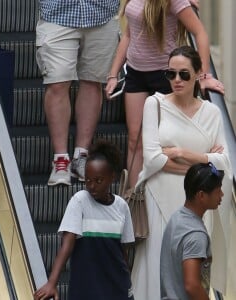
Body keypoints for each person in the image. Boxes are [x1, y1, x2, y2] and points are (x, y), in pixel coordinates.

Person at [130, 46, 232, 299]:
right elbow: (153, 159)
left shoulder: (212, 112)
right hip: (159, 194)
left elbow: (224, 163)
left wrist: (181, 153)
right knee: (155, 266)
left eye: (184, 74)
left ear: (198, 74)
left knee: (193, 268)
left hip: (197, 202)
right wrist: (204, 166)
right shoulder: (154, 104)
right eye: (171, 74)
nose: (176, 80)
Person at [105, 0, 224, 188]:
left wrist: (203, 75)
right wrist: (113, 74)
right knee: (135, 139)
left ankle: (167, 189)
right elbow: (128, 35)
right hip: (135, 74)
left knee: (166, 140)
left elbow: (200, 32)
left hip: (165, 75)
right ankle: (135, 195)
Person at [34, 140, 135, 300]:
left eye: (98, 181)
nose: (92, 186)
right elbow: (66, 245)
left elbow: (123, 251)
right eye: (88, 180)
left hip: (117, 287)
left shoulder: (121, 206)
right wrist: (52, 282)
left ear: (112, 178)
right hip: (86, 286)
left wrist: (128, 283)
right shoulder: (80, 201)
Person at [36, 1, 120, 186]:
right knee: (57, 83)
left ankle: (81, 155)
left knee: (92, 81)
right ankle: (60, 160)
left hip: (102, 12)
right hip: (57, 14)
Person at [160, 162, 224, 300]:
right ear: (201, 195)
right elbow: (192, 285)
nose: (222, 195)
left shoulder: (177, 218)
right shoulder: (196, 234)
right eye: (218, 191)